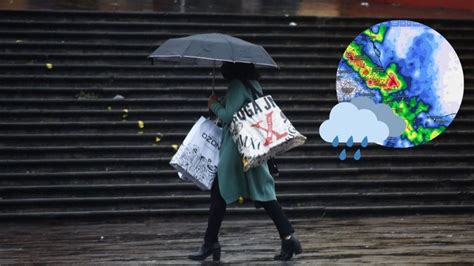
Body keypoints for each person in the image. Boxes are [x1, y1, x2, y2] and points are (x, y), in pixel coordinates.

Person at [188, 62, 302, 262]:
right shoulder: (252, 86)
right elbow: (239, 110)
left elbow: (229, 116)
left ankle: (210, 243)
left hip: (236, 151)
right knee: (264, 194)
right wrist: (221, 101)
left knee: (220, 193)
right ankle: (289, 238)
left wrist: (213, 105)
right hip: (252, 149)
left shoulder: (237, 86)